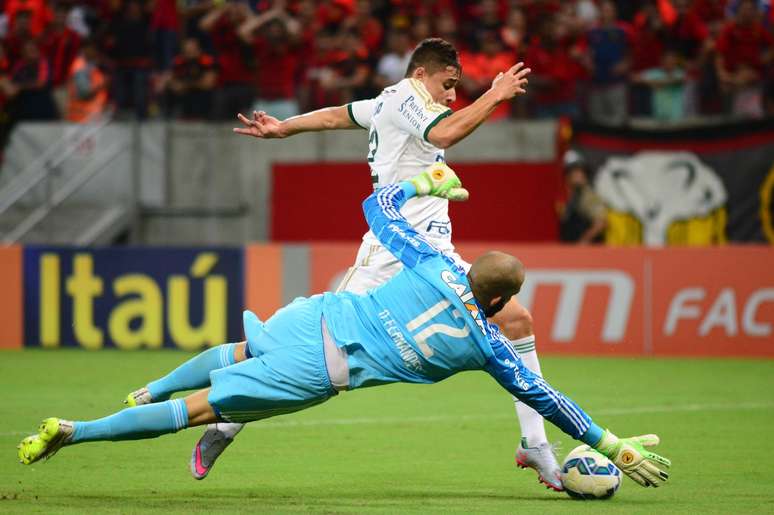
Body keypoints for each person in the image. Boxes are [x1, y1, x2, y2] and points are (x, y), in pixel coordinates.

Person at [18, 166, 672, 493]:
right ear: (499, 299)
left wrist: (424, 181)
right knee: (194, 412)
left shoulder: (438, 262)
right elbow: (546, 397)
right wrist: (613, 444)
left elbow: (376, 205)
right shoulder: (487, 347)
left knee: (237, 346)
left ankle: (147, 385)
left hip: (318, 313)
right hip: (320, 368)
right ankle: (77, 431)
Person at [194, 37, 559, 490]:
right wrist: (495, 94)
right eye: (448, 84)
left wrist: (285, 127)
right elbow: (444, 133)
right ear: (422, 74)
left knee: (516, 320)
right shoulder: (408, 97)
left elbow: (335, 115)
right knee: (311, 349)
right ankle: (228, 418)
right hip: (390, 251)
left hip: (434, 255)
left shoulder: (389, 102)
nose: (451, 95)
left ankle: (535, 443)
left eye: (457, 89)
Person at [557, 151, 608, 244]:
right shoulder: (571, 196)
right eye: (575, 171)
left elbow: (601, 223)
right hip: (570, 250)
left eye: (581, 171)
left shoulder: (587, 195)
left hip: (588, 252)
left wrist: (584, 240)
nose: (579, 175)